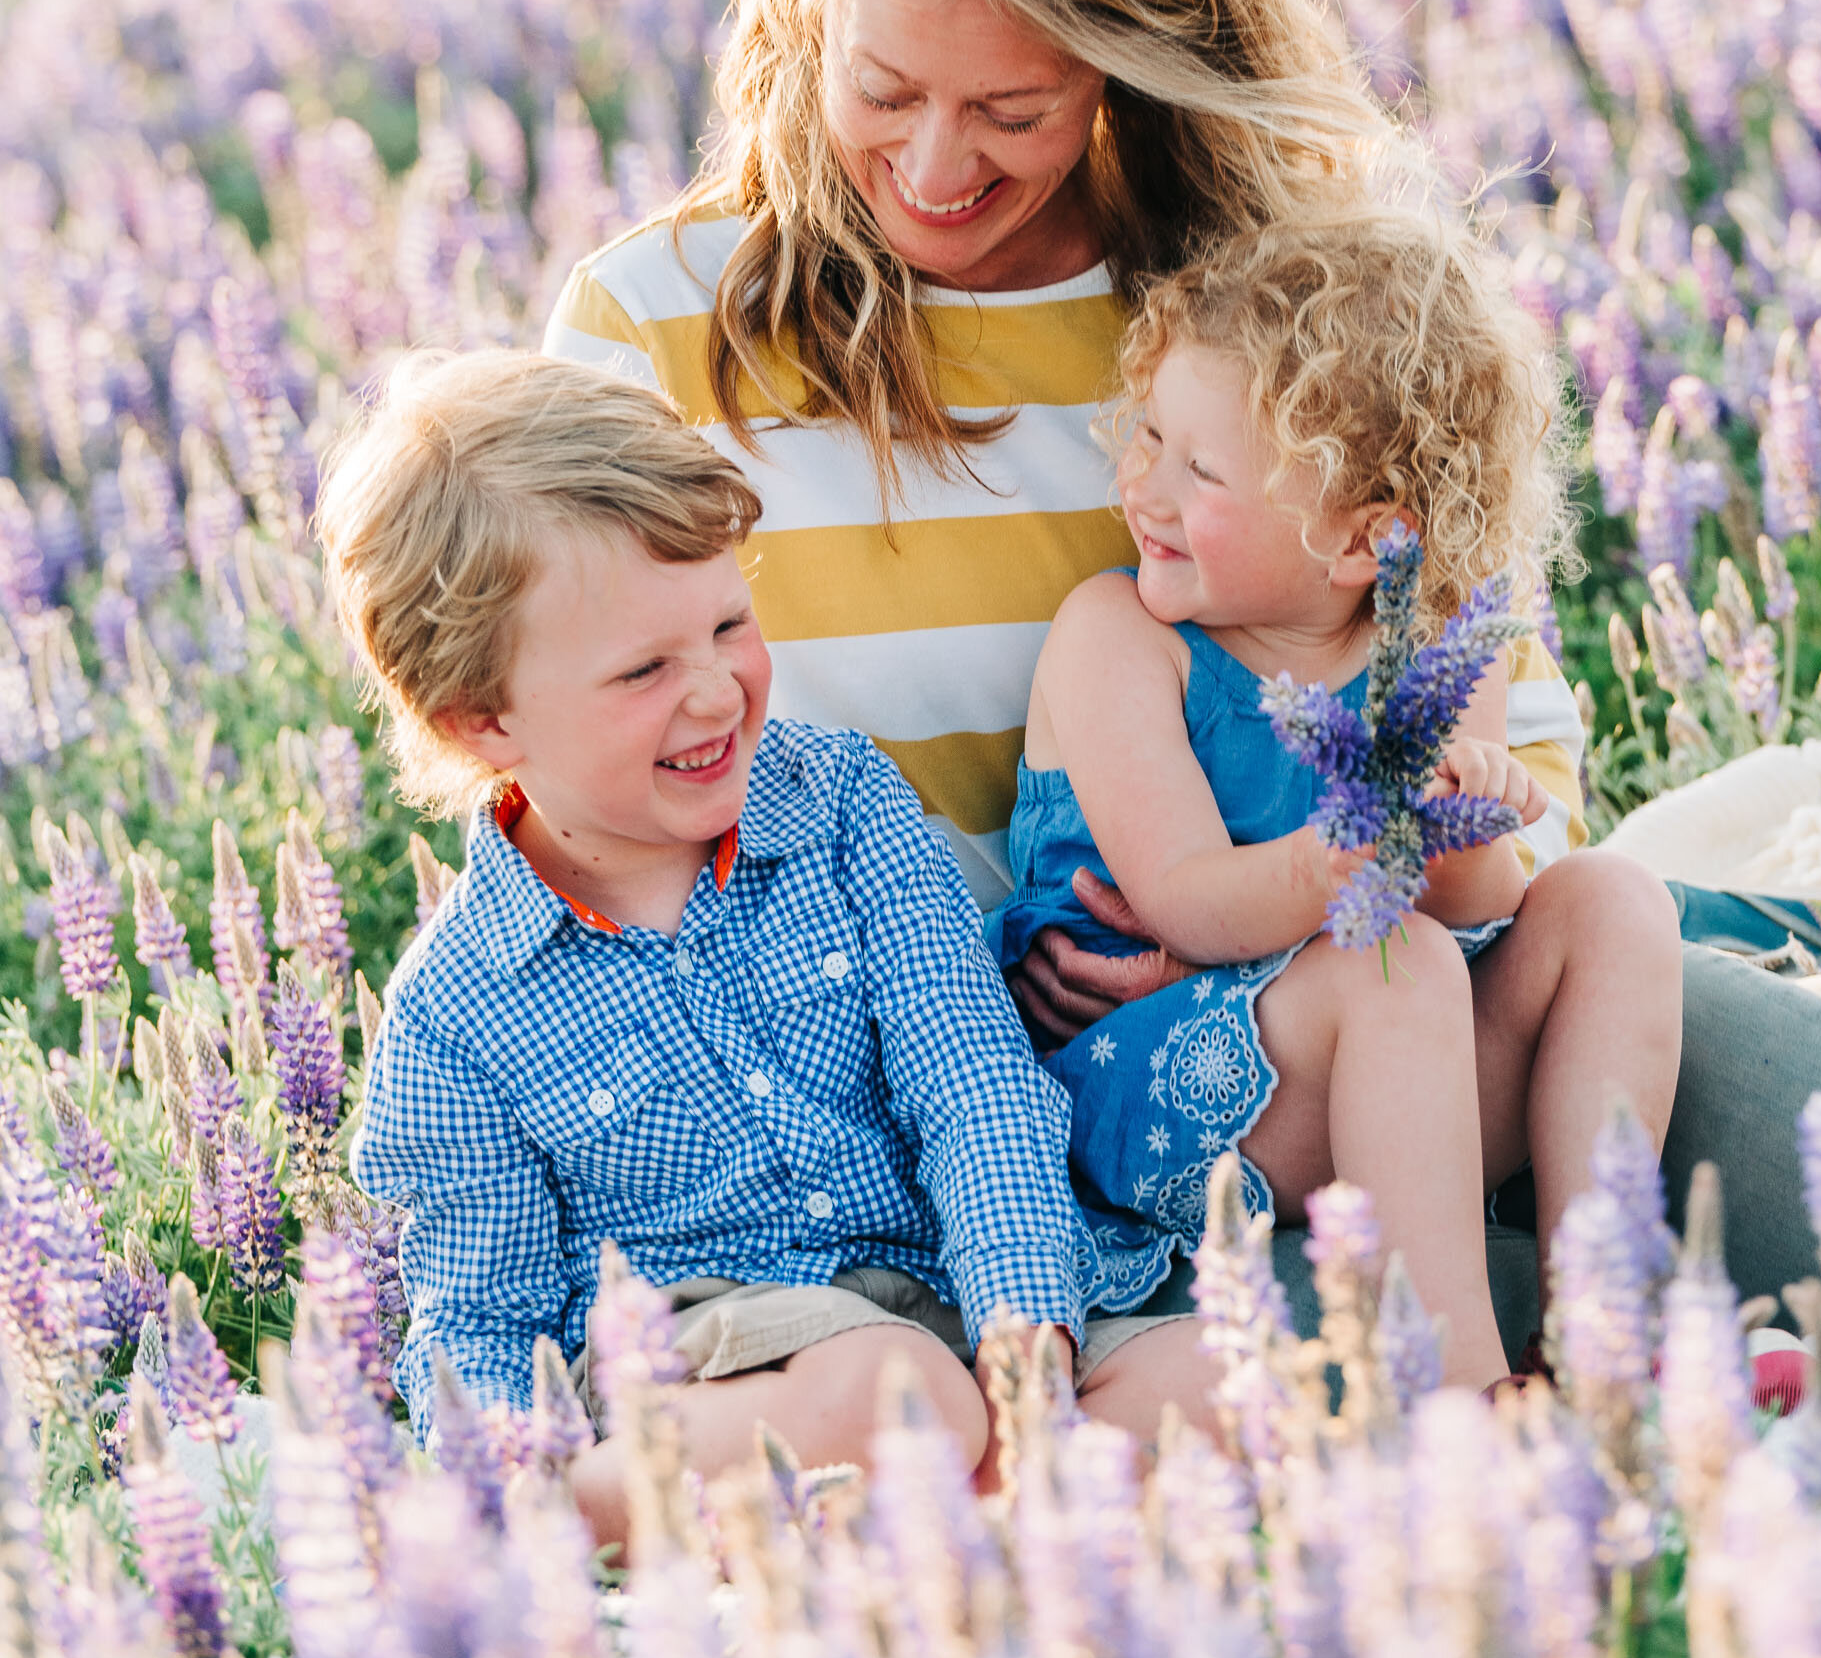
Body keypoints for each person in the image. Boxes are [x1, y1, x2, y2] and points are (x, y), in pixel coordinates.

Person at [546, 0, 1821, 1340]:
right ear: (807, 10)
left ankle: (1706, 1011)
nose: (937, 164)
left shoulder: (1267, 307)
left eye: (1013, 111)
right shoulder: (654, 332)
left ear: (1123, 62)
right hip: (979, 1076)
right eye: (882, 90)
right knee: (1127, 1322)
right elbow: (573, 785)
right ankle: (1490, 1294)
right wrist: (1040, 979)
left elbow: (1497, 753)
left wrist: (1331, 882)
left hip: (1373, 980)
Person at [319, 350, 1211, 1556]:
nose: (715, 693)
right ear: (483, 720)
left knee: (1226, 1375)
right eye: (643, 670)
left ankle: (951, 1510)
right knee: (889, 1391)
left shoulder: (846, 805)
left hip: (948, 1286)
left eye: (730, 624)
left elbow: (972, 1084)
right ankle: (578, 1518)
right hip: (728, 1360)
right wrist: (495, 1463)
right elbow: (484, 1311)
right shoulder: (457, 1015)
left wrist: (1024, 1322)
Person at [995, 213, 1681, 1389]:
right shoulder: (1118, 641)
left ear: (1368, 541)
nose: (1142, 485)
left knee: (1609, 900)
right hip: (1168, 1089)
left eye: (1197, 469)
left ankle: (1597, 1330)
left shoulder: (1430, 638)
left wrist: (1468, 817)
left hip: (1390, 1073)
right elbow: (1188, 904)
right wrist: (1344, 856)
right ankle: (1455, 1390)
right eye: (1148, 435)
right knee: (1391, 960)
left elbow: (1471, 910)